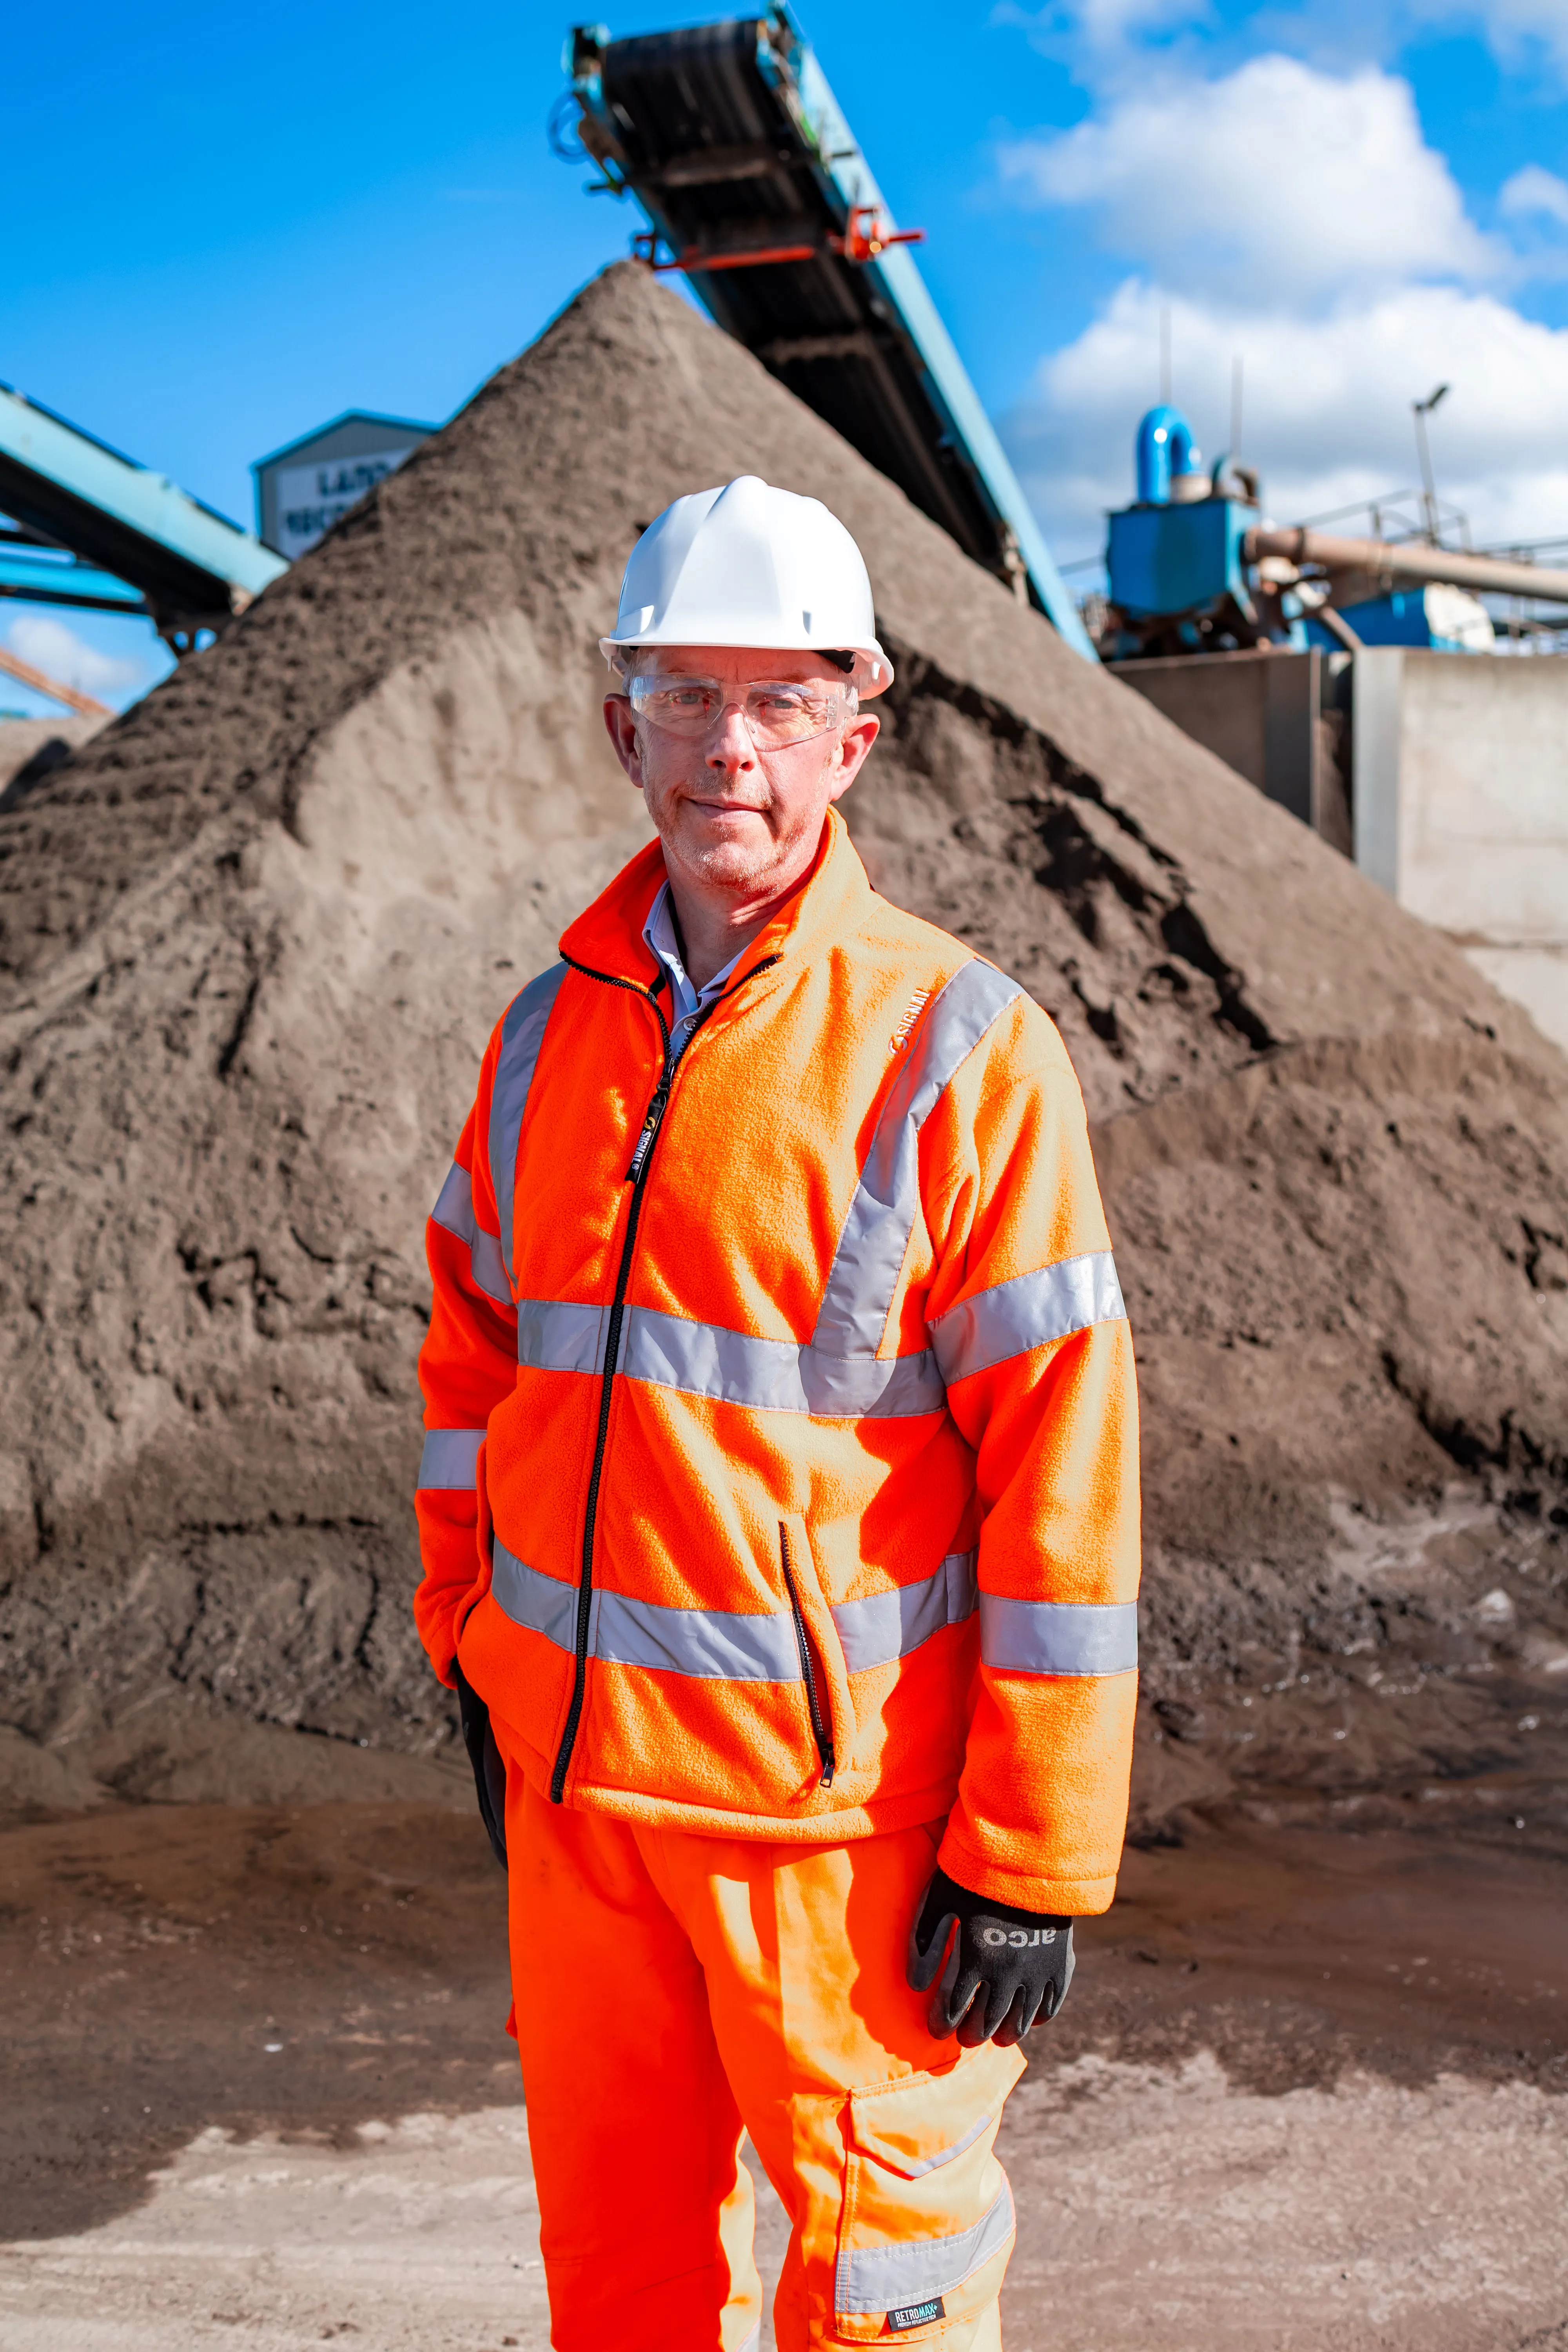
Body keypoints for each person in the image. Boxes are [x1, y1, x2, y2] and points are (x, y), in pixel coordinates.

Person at [412, 475, 1140, 2350]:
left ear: (854, 737)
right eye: (683, 696)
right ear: (618, 724)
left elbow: (1065, 1471)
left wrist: (1029, 1853)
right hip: (585, 1826)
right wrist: (475, 1654)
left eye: (780, 701)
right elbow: (470, 1372)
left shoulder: (956, 1043)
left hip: (835, 1840)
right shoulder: (537, 1037)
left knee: (872, 2306)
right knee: (620, 2290)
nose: (727, 747)